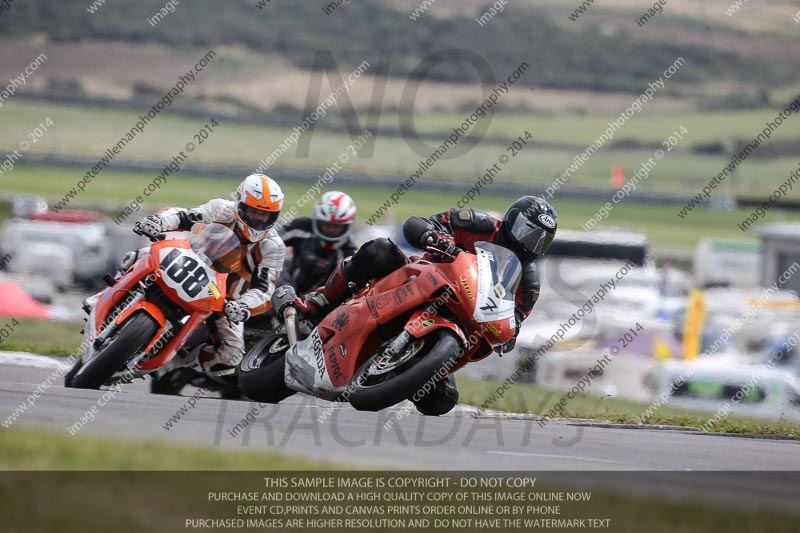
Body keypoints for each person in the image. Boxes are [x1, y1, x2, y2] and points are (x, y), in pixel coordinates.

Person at [296, 196, 557, 415]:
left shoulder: (529, 281)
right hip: (423, 277)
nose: (528, 244)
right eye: (527, 232)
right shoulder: (479, 223)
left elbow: (516, 319)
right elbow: (421, 223)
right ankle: (321, 301)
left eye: (539, 241)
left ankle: (395, 372)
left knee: (442, 400)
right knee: (379, 251)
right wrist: (434, 236)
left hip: (461, 318)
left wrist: (509, 334)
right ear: (511, 220)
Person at [132, 173, 286, 377]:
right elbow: (184, 216)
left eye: (264, 215)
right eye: (252, 211)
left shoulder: (274, 246)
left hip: (226, 298)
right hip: (190, 262)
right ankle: (102, 298)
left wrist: (243, 306)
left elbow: (265, 290)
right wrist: (158, 222)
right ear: (240, 204)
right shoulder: (222, 209)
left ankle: (172, 363)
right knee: (141, 255)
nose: (258, 219)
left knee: (232, 354)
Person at [278, 191, 358, 295]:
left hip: (318, 303)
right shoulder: (302, 226)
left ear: (346, 226)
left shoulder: (348, 253)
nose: (331, 230)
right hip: (284, 288)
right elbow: (273, 239)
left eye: (337, 226)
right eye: (327, 224)